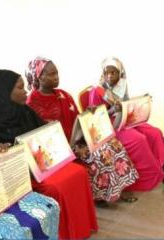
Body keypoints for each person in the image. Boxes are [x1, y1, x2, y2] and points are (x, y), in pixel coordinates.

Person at [0, 69, 98, 239]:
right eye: (20, 88)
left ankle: (79, 230)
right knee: (55, 187)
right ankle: (64, 233)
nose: (26, 91)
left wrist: (51, 130)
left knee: (78, 171)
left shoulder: (25, 111)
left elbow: (41, 134)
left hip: (41, 165)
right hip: (19, 175)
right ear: (3, 92)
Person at [25, 57, 139, 203]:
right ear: (39, 77)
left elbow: (77, 120)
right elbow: (42, 137)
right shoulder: (33, 103)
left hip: (76, 139)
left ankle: (117, 189)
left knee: (112, 144)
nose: (56, 77)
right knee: (99, 154)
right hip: (56, 151)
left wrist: (87, 114)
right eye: (51, 74)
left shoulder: (63, 95)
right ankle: (100, 196)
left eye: (57, 73)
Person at [89, 57, 164, 192]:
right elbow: (95, 120)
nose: (109, 76)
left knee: (155, 133)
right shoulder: (97, 91)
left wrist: (141, 100)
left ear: (120, 73)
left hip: (123, 121)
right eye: (106, 72)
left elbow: (125, 104)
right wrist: (114, 109)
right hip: (109, 127)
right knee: (139, 139)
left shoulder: (121, 86)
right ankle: (157, 176)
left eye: (113, 72)